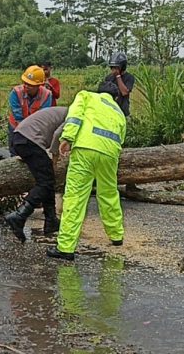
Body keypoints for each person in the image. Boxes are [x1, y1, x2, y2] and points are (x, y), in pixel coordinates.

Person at [47, 82, 127, 260]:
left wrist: (67, 137)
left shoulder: (86, 96)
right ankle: (116, 236)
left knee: (75, 196)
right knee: (108, 193)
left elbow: (75, 116)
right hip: (110, 154)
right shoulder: (119, 112)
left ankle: (66, 248)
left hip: (85, 149)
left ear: (99, 92)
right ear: (115, 98)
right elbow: (121, 138)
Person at [4, 106, 68, 242]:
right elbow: (57, 135)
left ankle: (51, 220)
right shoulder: (73, 116)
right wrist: (55, 154)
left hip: (21, 138)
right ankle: (19, 215)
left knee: (48, 179)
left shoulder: (64, 111)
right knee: (45, 182)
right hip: (29, 141)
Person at [8, 65, 52, 155]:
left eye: (30, 85)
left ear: (39, 85)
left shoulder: (47, 95)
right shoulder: (16, 92)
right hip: (16, 125)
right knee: (16, 150)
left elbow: (43, 117)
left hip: (35, 128)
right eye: (25, 83)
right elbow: (17, 115)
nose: (26, 86)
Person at [102, 52, 135, 117]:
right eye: (112, 67)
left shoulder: (129, 77)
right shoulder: (109, 78)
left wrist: (118, 76)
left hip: (122, 112)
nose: (113, 69)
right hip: (110, 111)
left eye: (116, 67)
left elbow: (124, 92)